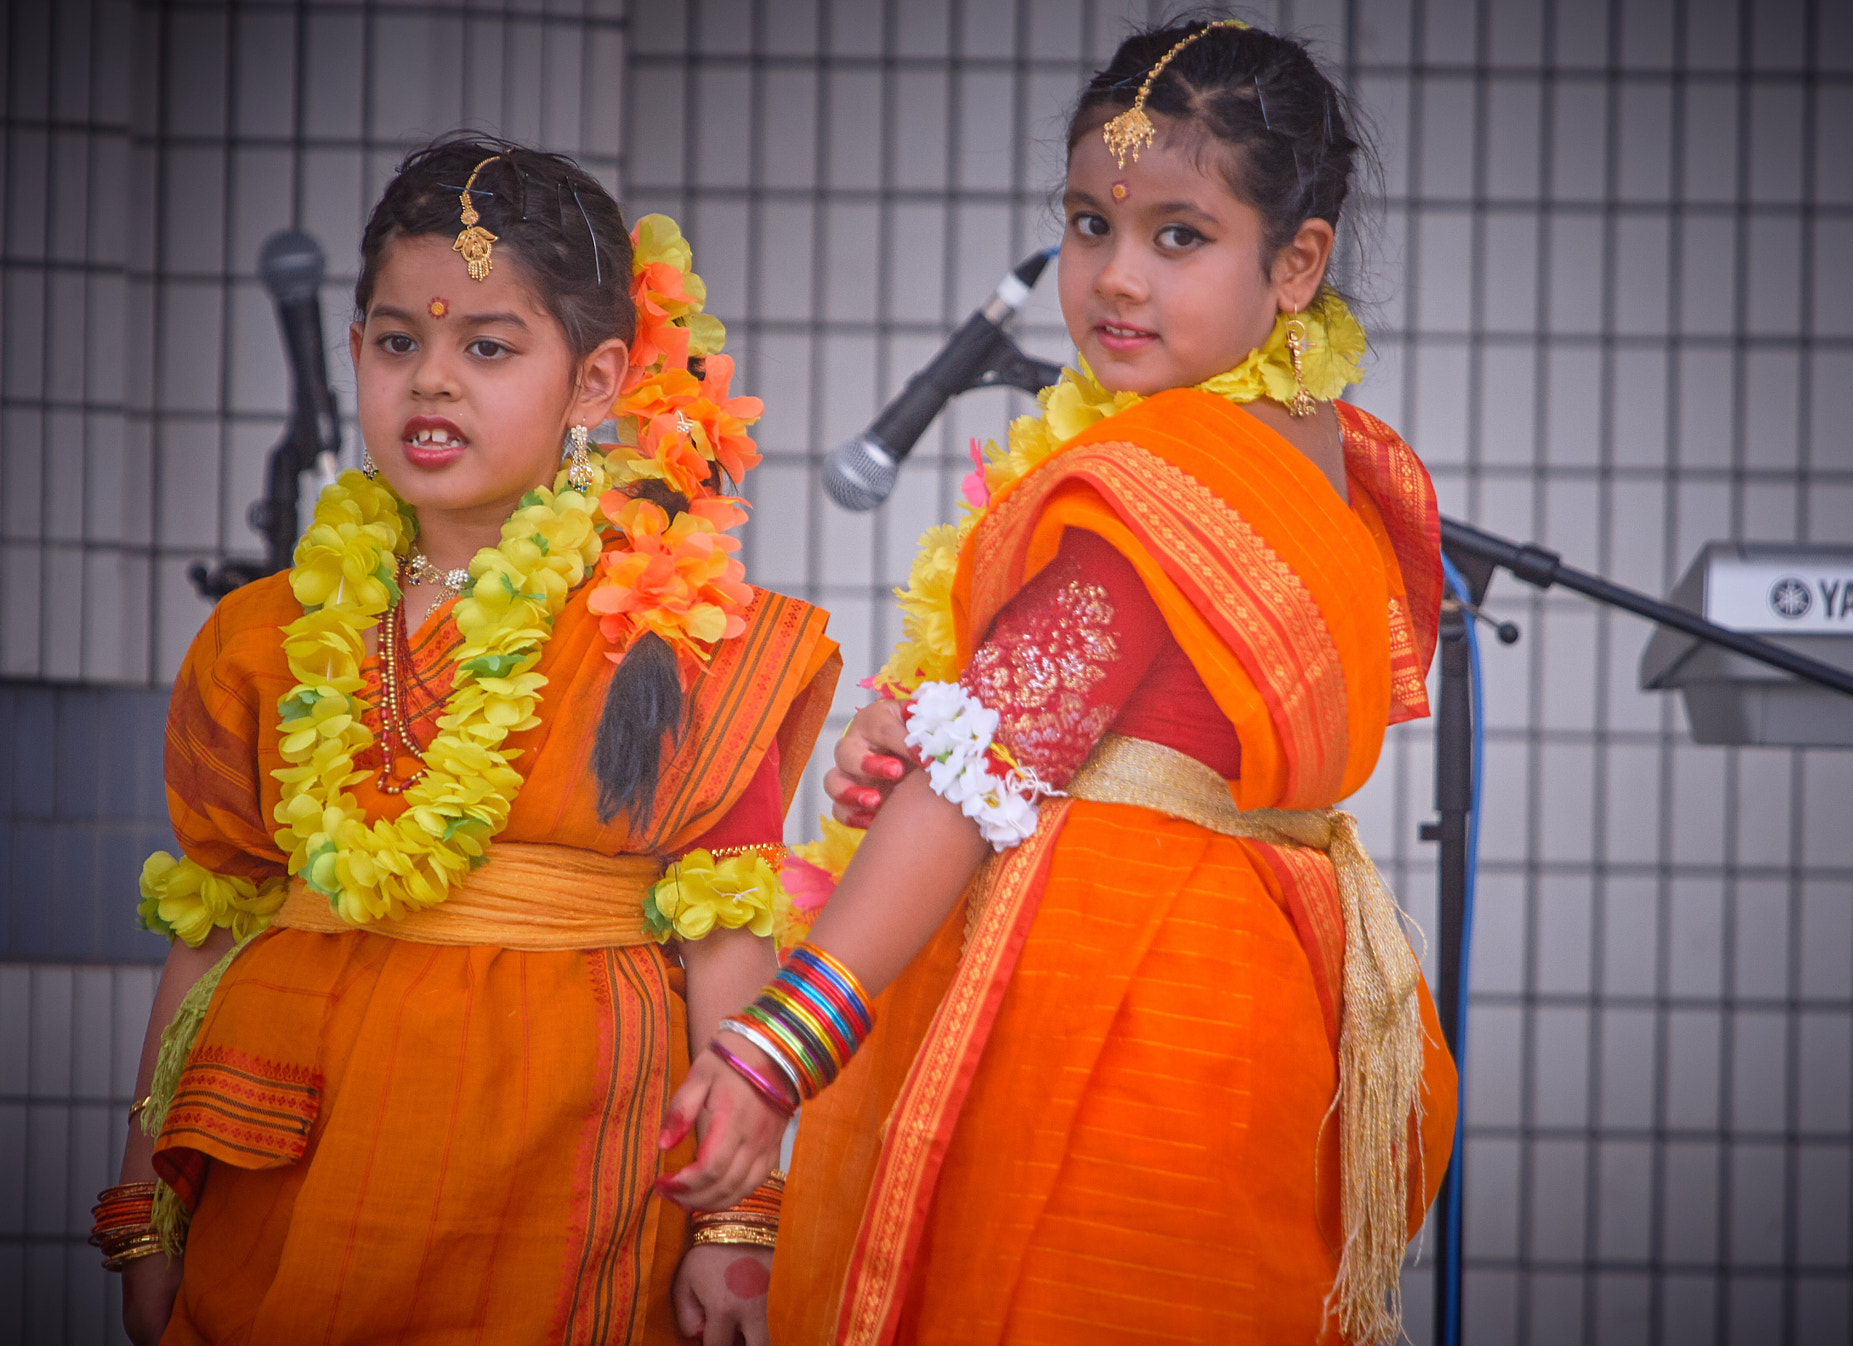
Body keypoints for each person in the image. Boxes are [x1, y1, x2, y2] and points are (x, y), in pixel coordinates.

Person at [657, 21, 1458, 1345]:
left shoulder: (1171, 478)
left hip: (1131, 1009)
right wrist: (929, 725)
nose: (1117, 279)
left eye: (1179, 236)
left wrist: (771, 1053)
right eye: (1092, 225)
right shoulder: (1317, 448)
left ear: (1297, 262)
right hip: (1252, 984)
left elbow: (991, 779)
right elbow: (1094, 723)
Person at [91, 137, 838, 1345]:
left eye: (487, 346)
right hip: (290, 1163)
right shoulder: (260, 634)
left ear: (595, 383)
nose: (431, 381)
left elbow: (727, 934)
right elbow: (209, 928)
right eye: (399, 341)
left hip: (564, 1167)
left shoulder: (685, 638)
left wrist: (738, 1219)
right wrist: (142, 1203)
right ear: (355, 354)